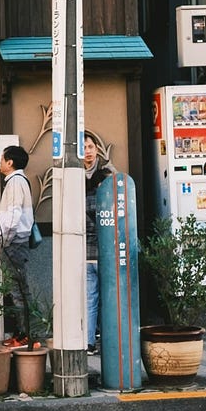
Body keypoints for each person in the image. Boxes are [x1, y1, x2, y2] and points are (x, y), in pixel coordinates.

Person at [0, 145, 34, 342]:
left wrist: (5, 239)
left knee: (17, 289)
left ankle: (26, 334)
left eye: (2, 159)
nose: (0, 162)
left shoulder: (15, 182)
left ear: (10, 162)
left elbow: (13, 214)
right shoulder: (18, 181)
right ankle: (23, 333)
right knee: (17, 288)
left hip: (15, 242)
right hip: (17, 241)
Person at [83, 132, 115, 356]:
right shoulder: (73, 171)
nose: (88, 151)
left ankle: (92, 341)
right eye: (83, 147)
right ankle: (101, 339)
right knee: (100, 295)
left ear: (97, 148)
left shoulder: (108, 170)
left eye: (91, 146)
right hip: (98, 248)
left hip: (91, 247)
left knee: (92, 296)